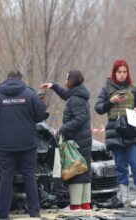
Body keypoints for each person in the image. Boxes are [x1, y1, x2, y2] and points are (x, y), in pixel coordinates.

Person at [0, 70, 47, 219]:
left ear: (7, 79)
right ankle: (34, 211)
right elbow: (41, 115)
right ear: (21, 79)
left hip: (5, 144)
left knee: (6, 176)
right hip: (27, 143)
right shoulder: (30, 94)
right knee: (29, 175)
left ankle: (2, 213)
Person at [94, 59, 136, 208]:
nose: (122, 75)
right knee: (120, 166)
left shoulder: (135, 89)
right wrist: (111, 101)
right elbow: (98, 108)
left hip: (132, 131)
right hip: (115, 132)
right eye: (119, 72)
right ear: (114, 72)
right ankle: (124, 198)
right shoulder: (107, 89)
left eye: (125, 72)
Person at [40, 70, 92, 211]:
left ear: (72, 80)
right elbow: (65, 95)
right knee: (84, 172)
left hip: (77, 141)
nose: (65, 80)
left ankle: (75, 206)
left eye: (66, 78)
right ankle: (86, 206)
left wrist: (62, 129)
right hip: (83, 139)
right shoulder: (78, 94)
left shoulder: (75, 99)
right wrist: (53, 86)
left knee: (75, 172)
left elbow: (80, 118)